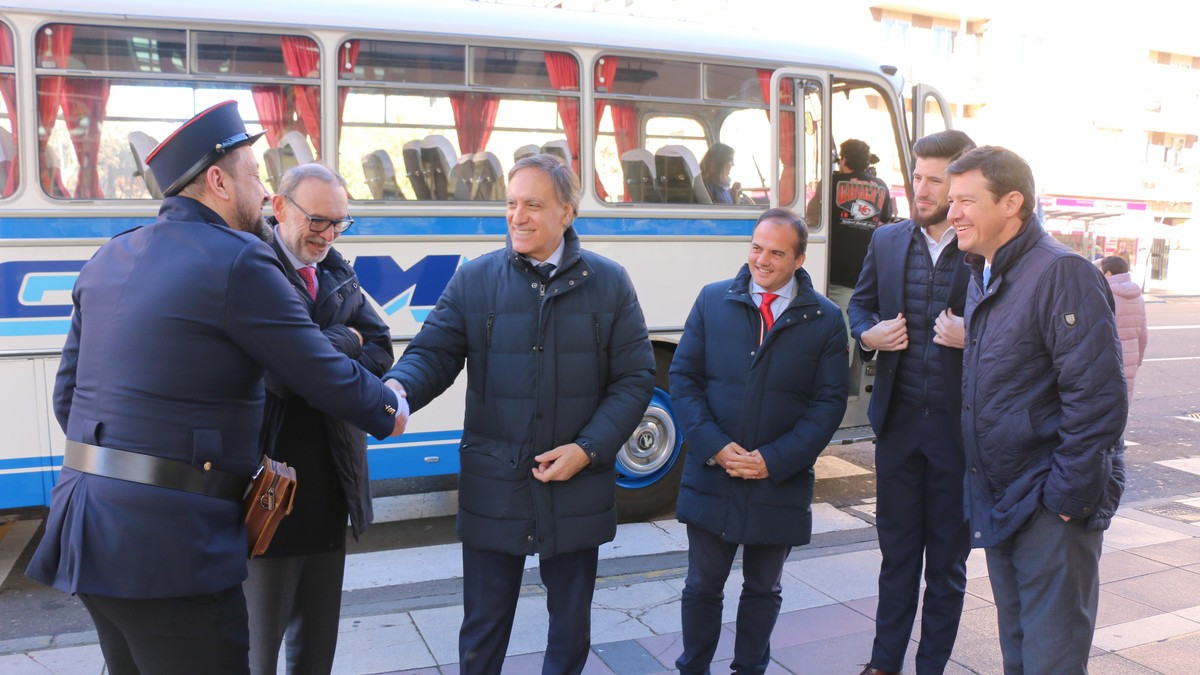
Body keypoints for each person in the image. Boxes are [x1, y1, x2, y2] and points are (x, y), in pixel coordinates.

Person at [26, 101, 407, 675]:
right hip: (172, 549)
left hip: (86, 528)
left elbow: (67, 397)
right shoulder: (239, 261)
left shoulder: (110, 256)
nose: (261, 191)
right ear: (218, 180)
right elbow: (316, 370)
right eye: (255, 175)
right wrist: (388, 405)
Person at [383, 153, 655, 675]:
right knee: (483, 627)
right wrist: (396, 391)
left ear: (567, 213)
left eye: (533, 204)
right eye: (511, 204)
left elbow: (635, 379)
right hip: (495, 480)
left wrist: (587, 450)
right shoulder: (475, 280)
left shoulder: (610, 283)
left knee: (570, 625)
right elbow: (433, 353)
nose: (517, 216)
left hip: (575, 482)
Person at [948, 146, 1126, 674]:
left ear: (1012, 203)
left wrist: (1067, 499)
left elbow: (1096, 399)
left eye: (966, 200)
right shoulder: (986, 273)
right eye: (951, 199)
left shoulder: (1061, 272)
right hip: (1004, 496)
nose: (951, 211)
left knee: (1051, 659)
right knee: (1020, 654)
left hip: (1049, 500)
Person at [670, 207, 849, 675]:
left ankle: (749, 669)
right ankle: (694, 668)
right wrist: (714, 446)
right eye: (755, 247)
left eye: (775, 252)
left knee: (764, 589)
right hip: (714, 472)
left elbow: (828, 404)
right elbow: (684, 379)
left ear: (799, 259)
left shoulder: (826, 319)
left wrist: (774, 459)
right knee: (701, 586)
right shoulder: (712, 301)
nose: (761, 260)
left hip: (778, 480)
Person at [243, 163, 393, 675]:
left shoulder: (335, 270)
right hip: (266, 490)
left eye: (340, 223)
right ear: (279, 207)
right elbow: (280, 375)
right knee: (257, 651)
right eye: (318, 220)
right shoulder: (251, 267)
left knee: (316, 651)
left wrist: (317, 355)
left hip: (330, 483)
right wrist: (340, 342)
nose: (328, 235)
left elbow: (381, 347)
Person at [848, 130, 976, 675]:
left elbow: (1019, 327)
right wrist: (866, 336)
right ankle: (884, 664)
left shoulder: (984, 249)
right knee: (896, 556)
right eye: (916, 177)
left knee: (946, 565)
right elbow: (858, 307)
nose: (920, 190)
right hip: (898, 426)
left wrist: (976, 335)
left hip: (958, 433)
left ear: (962, 184)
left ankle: (932, 666)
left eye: (934, 179)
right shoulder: (887, 240)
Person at [830, 139, 895, 288]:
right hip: (865, 269)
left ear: (844, 159)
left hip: (834, 269)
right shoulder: (880, 185)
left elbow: (813, 216)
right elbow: (885, 218)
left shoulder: (831, 182)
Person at [1100, 255, 1149, 405]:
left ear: (1108, 274)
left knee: (1103, 400)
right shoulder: (1137, 296)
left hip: (1108, 355)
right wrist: (1138, 360)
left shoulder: (1105, 294)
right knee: (1124, 399)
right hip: (1131, 356)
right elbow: (1143, 333)